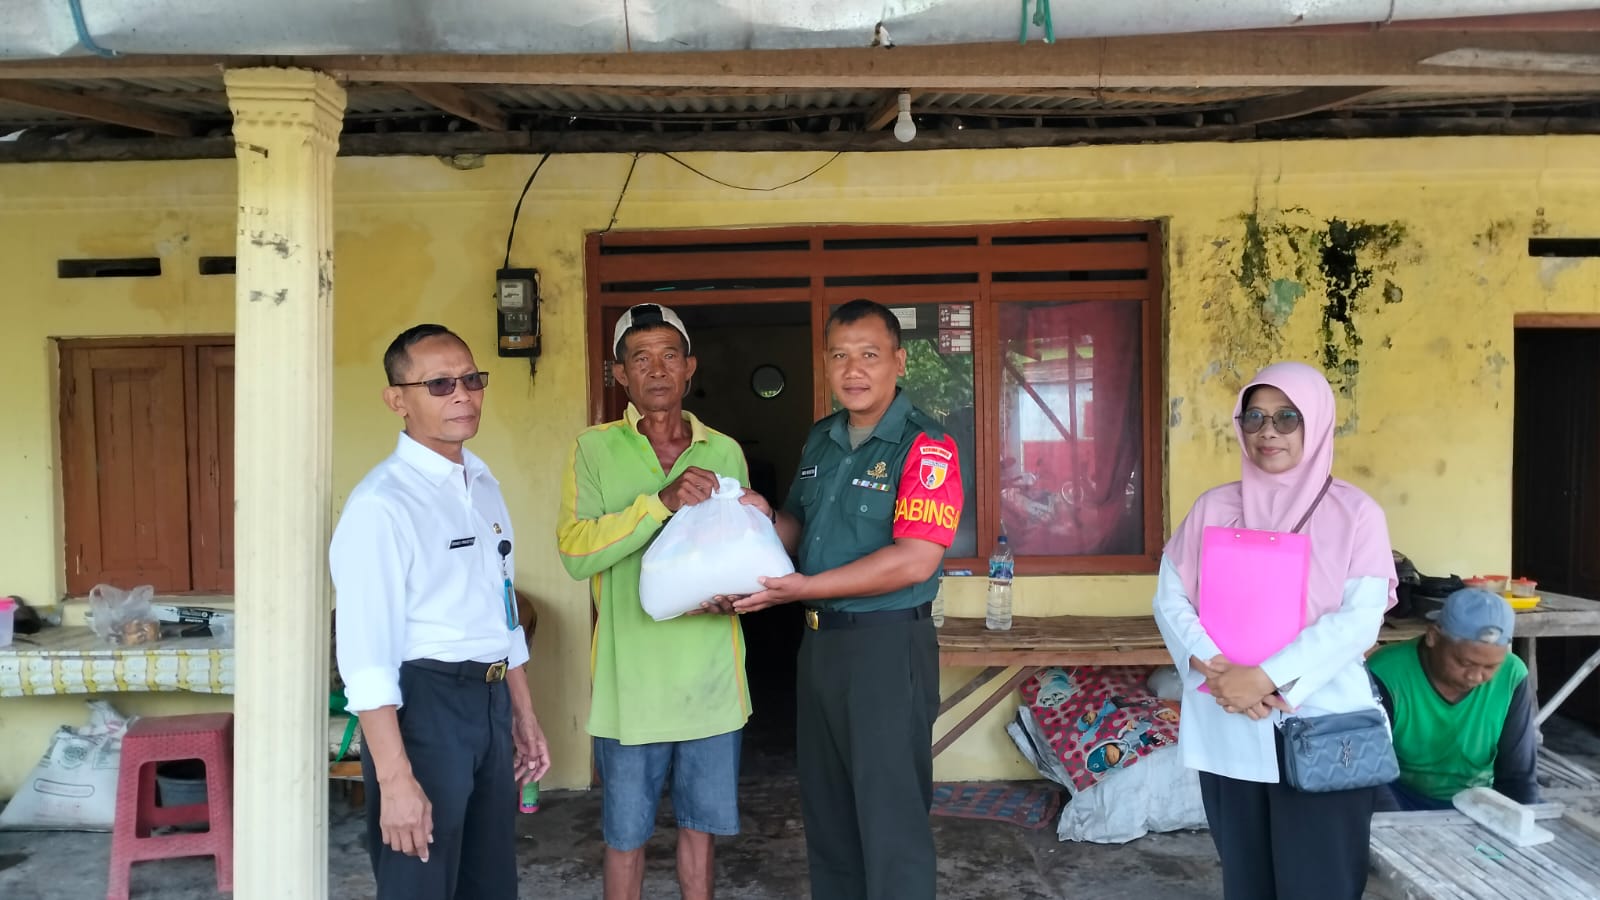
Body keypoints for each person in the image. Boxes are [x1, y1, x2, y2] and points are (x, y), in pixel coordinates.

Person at [733, 298, 964, 900]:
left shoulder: (926, 446)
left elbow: (915, 559)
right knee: (829, 815)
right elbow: (800, 532)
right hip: (821, 648)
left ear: (898, 361)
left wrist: (805, 588)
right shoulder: (822, 439)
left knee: (890, 820)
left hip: (886, 647)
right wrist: (764, 517)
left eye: (869, 354)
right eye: (839, 355)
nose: (853, 369)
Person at [1152, 361, 1397, 900]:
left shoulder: (1356, 514)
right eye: (1255, 417)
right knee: (1248, 884)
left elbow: (1359, 619)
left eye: (1288, 417)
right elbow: (1170, 598)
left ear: (1317, 422)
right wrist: (1218, 671)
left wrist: (1265, 677)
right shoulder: (1214, 507)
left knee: (1320, 885)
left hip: (1323, 728)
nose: (1269, 431)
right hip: (1230, 725)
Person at [556, 303, 767, 900]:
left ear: (689, 368)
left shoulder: (723, 450)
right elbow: (576, 553)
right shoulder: (593, 449)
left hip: (711, 682)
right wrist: (659, 504)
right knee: (625, 838)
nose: (656, 370)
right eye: (640, 358)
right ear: (620, 374)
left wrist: (737, 596)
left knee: (701, 832)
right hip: (631, 685)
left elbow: (741, 550)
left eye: (669, 356)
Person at [332, 324, 550, 900]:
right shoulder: (382, 504)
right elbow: (366, 656)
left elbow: (503, 611)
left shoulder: (482, 484)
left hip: (489, 703)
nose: (462, 395)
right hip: (425, 709)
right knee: (419, 880)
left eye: (472, 380)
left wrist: (523, 714)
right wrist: (395, 777)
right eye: (440, 384)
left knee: (489, 881)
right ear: (397, 400)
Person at [1368, 587, 1538, 810]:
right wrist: (1401, 825)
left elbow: (1518, 776)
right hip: (1399, 796)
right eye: (1464, 663)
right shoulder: (1387, 672)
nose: (1476, 676)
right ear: (1433, 636)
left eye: (1490, 667)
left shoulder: (1511, 675)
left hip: (1479, 801)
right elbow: (1371, 771)